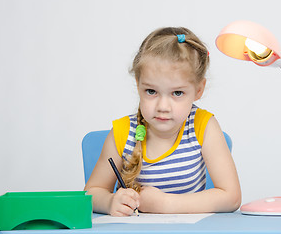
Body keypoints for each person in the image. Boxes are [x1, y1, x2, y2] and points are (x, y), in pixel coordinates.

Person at [84, 27, 241, 216]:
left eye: (177, 93)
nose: (163, 106)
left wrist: (167, 204)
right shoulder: (123, 132)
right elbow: (90, 193)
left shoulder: (204, 126)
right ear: (138, 84)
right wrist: (110, 202)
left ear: (198, 90)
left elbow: (231, 197)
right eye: (151, 91)